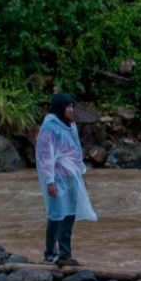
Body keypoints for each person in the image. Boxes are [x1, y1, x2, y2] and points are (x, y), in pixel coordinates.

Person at [35, 93, 96, 266]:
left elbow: (76, 151)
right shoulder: (49, 128)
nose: (71, 110)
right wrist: (49, 181)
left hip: (71, 176)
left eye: (72, 106)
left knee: (69, 213)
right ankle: (49, 254)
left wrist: (81, 174)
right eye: (68, 106)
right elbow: (45, 156)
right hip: (57, 176)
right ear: (60, 108)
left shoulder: (71, 126)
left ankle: (65, 254)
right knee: (56, 215)